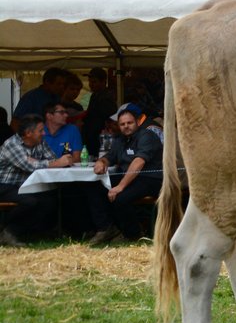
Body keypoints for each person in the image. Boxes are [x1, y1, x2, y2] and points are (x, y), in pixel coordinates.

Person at [87, 104, 165, 245]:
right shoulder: (120, 140)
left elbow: (138, 163)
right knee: (94, 186)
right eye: (122, 124)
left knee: (120, 198)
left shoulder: (147, 136)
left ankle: (133, 235)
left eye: (129, 123)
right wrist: (102, 162)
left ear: (137, 122)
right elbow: (110, 156)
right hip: (129, 177)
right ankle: (106, 228)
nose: (126, 126)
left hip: (150, 178)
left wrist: (120, 186)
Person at [0, 114, 77, 245]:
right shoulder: (11, 144)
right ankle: (5, 228)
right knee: (30, 202)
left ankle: (20, 231)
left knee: (50, 201)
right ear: (28, 133)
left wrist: (45, 162)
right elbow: (30, 166)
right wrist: (52, 162)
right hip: (5, 185)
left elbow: (52, 158)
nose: (44, 133)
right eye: (40, 130)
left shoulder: (39, 142)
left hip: (27, 185)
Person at [83, 68, 118, 158]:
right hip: (92, 136)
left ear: (103, 82)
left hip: (102, 137)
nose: (91, 84)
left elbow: (110, 119)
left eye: (94, 82)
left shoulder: (107, 97)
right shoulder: (94, 95)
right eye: (90, 81)